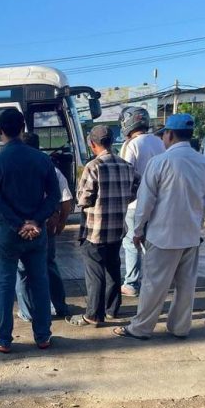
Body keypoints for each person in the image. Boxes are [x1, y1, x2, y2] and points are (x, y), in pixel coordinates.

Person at [112, 114, 205, 340]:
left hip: (163, 235)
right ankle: (180, 327)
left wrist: (137, 231)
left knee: (154, 285)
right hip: (191, 235)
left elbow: (146, 202)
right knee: (186, 286)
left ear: (168, 134)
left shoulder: (160, 162)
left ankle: (141, 328)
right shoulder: (204, 163)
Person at [0, 107, 59, 353]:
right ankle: (43, 336)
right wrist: (35, 221)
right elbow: (54, 196)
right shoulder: (42, 159)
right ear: (23, 128)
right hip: (37, 234)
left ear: (0, 131)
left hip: (6, 233)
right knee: (39, 281)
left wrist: (18, 224)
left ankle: (3, 339)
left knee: (4, 284)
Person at [68, 125, 136, 327]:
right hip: (117, 228)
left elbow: (83, 198)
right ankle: (112, 309)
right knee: (113, 269)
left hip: (95, 230)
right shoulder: (126, 165)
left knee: (95, 273)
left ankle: (93, 315)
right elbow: (135, 189)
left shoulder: (93, 166)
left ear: (92, 144)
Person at [16, 132, 73, 321]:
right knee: (48, 265)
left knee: (22, 270)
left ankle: (27, 312)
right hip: (45, 226)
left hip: (18, 228)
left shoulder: (9, 167)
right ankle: (60, 307)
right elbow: (65, 201)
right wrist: (62, 223)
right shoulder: (52, 169)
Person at [117, 107, 165, 297]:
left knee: (131, 243)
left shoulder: (131, 144)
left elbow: (126, 172)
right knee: (153, 241)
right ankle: (156, 279)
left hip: (135, 204)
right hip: (159, 202)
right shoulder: (159, 142)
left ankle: (131, 283)